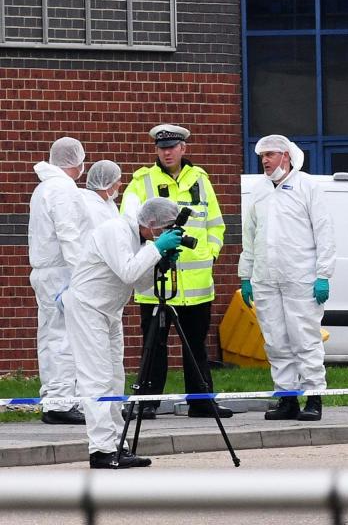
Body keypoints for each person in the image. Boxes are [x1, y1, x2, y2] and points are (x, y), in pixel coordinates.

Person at [119, 124, 231, 419]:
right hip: (157, 279)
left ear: (183, 148)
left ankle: (202, 402)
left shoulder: (201, 180)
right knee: (153, 345)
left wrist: (211, 254)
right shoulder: (142, 181)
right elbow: (129, 226)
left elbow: (216, 225)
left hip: (196, 284)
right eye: (161, 147)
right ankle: (146, 403)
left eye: (172, 147)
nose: (166, 152)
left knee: (196, 346)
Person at [62, 197, 184, 469]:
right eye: (164, 229)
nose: (163, 234)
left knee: (115, 378)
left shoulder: (141, 241)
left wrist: (159, 262)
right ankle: (101, 450)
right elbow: (128, 272)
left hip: (109, 310)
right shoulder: (116, 230)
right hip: (86, 307)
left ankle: (119, 444)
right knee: (97, 379)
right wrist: (156, 251)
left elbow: (140, 285)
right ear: (151, 223)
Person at [238, 134, 335, 421]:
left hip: (300, 278)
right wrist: (246, 275)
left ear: (286, 156)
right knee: (275, 341)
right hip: (266, 279)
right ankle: (287, 397)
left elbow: (324, 233)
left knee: (304, 339)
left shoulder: (307, 188)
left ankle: (314, 396)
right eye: (262, 156)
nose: (265, 161)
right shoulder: (259, 191)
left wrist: (323, 275)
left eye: (270, 155)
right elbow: (250, 236)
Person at [28, 137, 92, 425]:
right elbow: (69, 234)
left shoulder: (44, 188)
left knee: (51, 335)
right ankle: (62, 401)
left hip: (46, 271)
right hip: (62, 272)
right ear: (76, 162)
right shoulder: (63, 190)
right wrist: (82, 274)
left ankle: (54, 395)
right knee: (65, 337)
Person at [81, 160, 122, 225]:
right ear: (107, 183)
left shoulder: (108, 202)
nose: (120, 184)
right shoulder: (93, 208)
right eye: (118, 180)